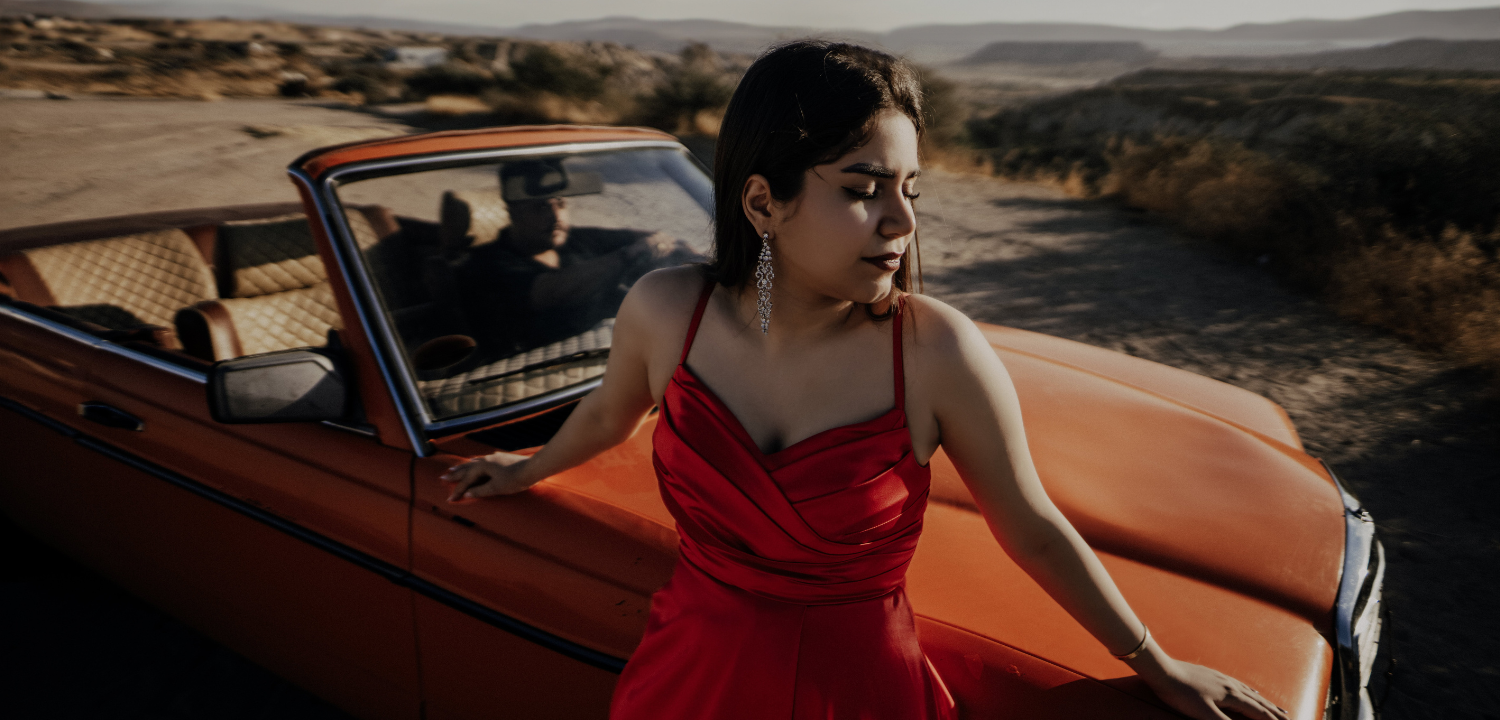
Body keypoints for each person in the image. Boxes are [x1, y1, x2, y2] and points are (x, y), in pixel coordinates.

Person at [440, 41, 1291, 720]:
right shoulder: (668, 310)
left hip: (860, 694)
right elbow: (608, 413)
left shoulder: (932, 350)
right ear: (763, 202)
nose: (902, 220)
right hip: (688, 679)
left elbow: (1030, 524)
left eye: (910, 189)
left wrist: (1158, 664)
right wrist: (523, 470)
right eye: (863, 187)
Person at [457, 158, 696, 352]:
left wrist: (686, 254)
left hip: (619, 355)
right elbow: (550, 292)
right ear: (512, 213)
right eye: (540, 207)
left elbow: (651, 238)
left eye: (560, 204)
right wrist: (626, 257)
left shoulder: (575, 239)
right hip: (545, 379)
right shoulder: (485, 263)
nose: (555, 216)